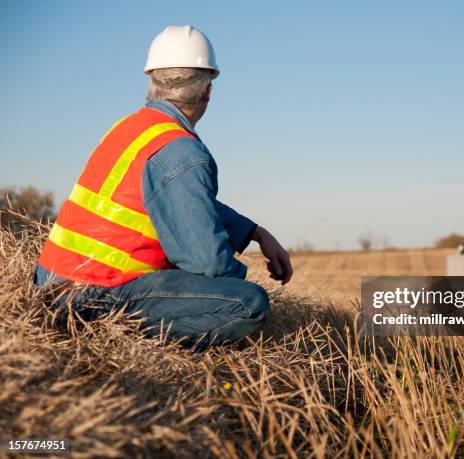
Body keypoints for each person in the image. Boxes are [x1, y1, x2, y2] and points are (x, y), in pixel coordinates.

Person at [34, 25, 292, 348]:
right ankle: (121, 339)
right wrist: (233, 280)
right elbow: (207, 263)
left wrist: (254, 232)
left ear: (152, 81)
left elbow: (178, 198)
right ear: (208, 90)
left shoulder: (129, 128)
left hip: (50, 282)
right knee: (248, 302)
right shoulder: (182, 150)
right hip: (94, 300)